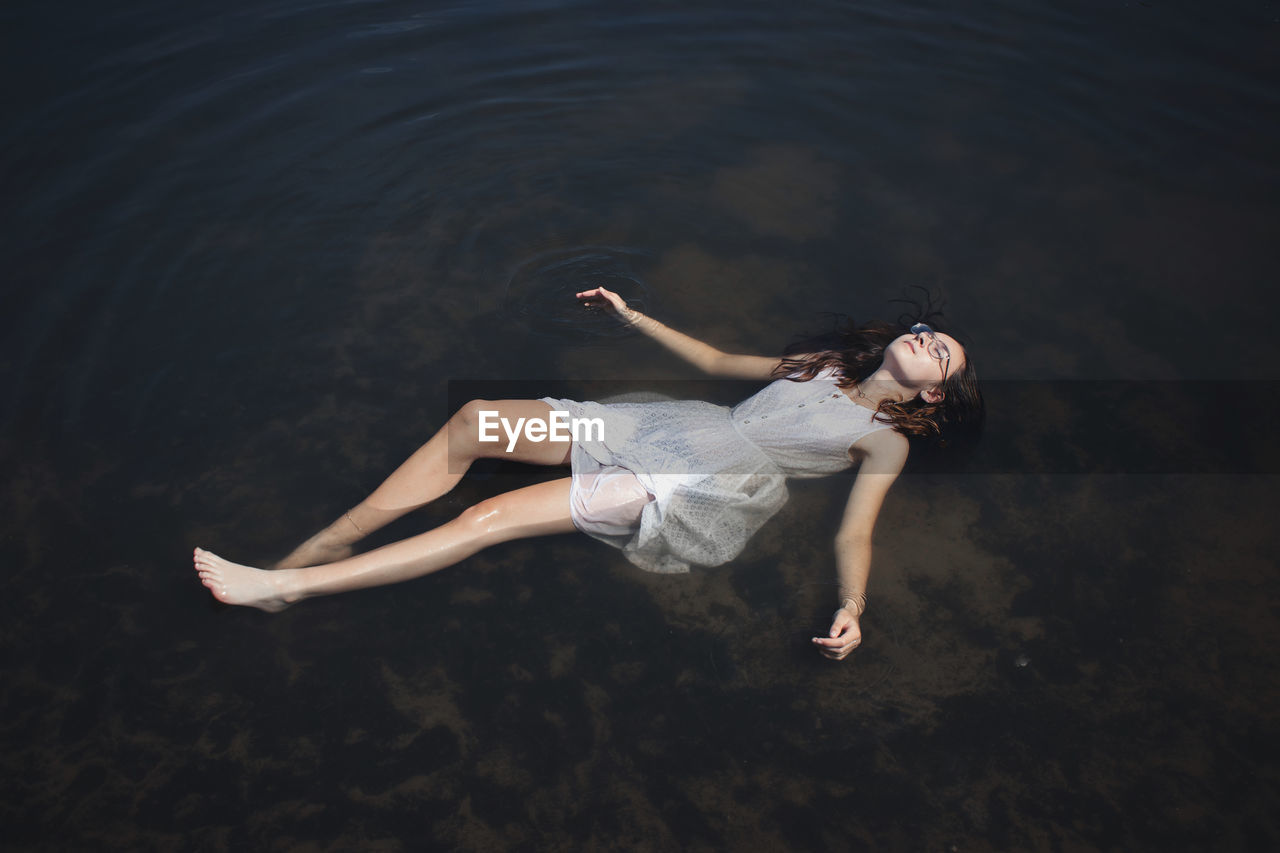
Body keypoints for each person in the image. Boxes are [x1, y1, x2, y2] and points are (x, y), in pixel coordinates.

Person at [194, 286, 982, 661]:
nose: (924, 338)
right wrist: (629, 313)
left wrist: (854, 605)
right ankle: (319, 549)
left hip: (702, 481)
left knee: (483, 521)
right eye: (925, 330)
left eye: (938, 349)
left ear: (934, 390)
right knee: (476, 420)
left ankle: (284, 587)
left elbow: (855, 527)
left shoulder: (885, 441)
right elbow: (711, 360)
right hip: (668, 425)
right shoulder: (815, 365)